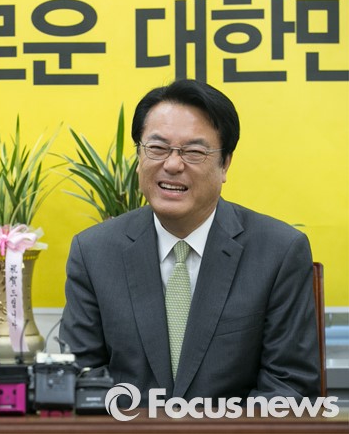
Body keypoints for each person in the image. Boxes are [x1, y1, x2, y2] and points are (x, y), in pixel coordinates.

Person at [60, 79, 321, 405]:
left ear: (225, 164)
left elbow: (289, 389)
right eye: (157, 148)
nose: (172, 164)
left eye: (194, 152)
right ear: (139, 156)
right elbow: (81, 381)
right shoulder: (94, 252)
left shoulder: (278, 252)